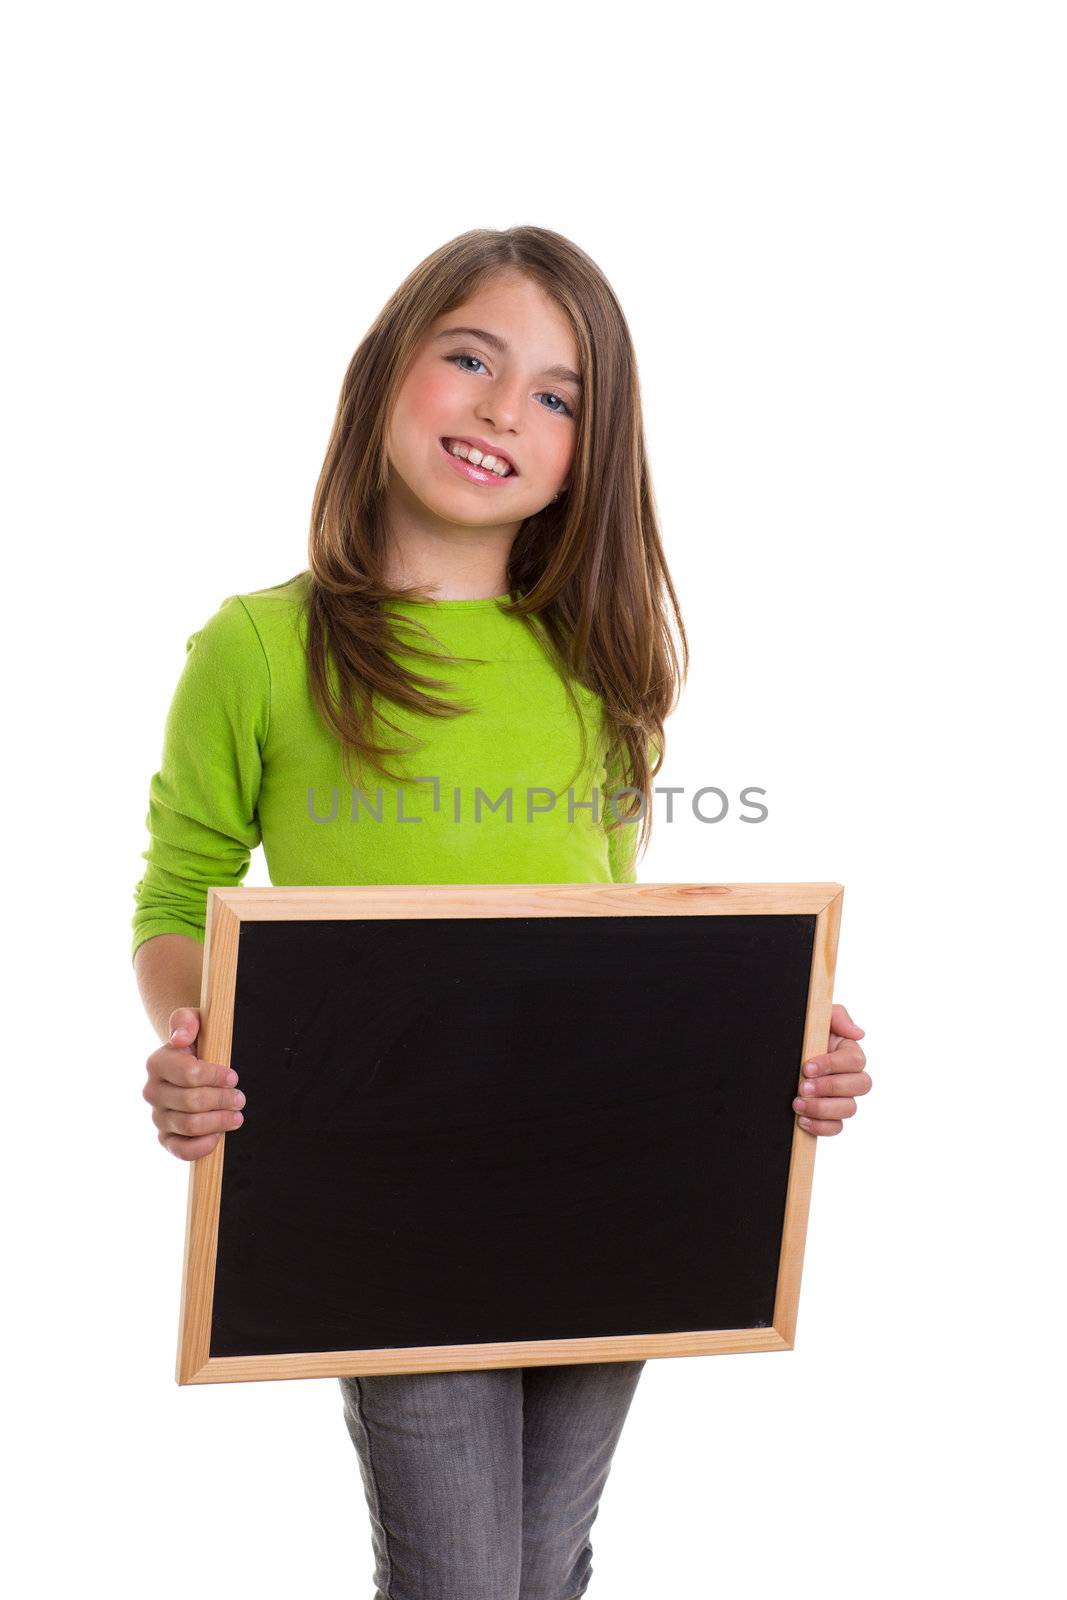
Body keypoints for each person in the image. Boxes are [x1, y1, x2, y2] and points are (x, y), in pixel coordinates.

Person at [132, 225, 872, 1600]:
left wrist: (778, 1049)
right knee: (463, 1581)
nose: (498, 409)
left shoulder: (602, 667)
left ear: (593, 450)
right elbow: (182, 889)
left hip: (607, 1179)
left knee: (542, 1568)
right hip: (391, 1197)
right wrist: (193, 1034)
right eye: (469, 357)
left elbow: (607, 935)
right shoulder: (259, 650)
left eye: (556, 394)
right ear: (384, 374)